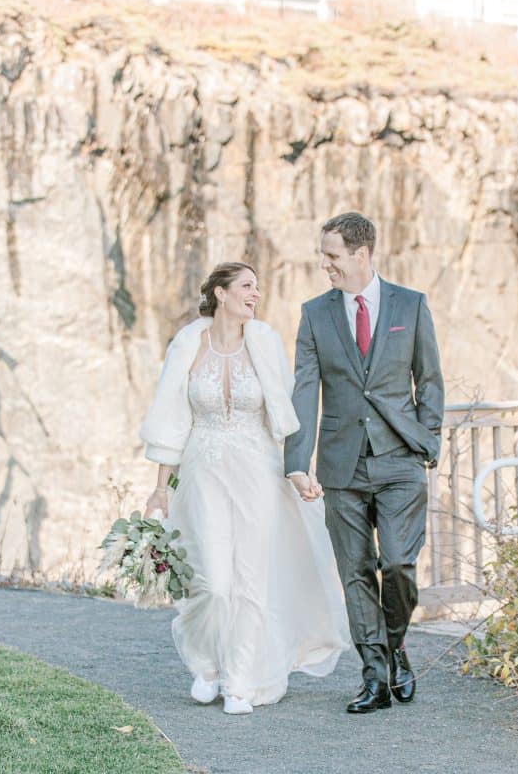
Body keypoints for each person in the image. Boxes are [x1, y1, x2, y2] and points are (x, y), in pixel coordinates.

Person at [140, 263, 349, 716]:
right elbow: (171, 420)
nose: (256, 294)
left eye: (257, 287)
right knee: (213, 581)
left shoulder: (266, 343)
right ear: (221, 292)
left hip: (258, 471)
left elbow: (289, 416)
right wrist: (160, 488)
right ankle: (206, 665)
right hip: (204, 472)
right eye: (247, 286)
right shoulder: (189, 344)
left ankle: (239, 680)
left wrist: (298, 470)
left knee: (253, 580)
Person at [285, 213, 444, 714]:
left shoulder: (411, 305)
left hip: (400, 459)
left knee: (397, 564)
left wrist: (428, 439)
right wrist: (298, 460)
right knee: (355, 572)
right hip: (341, 464)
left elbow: (431, 380)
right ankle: (374, 675)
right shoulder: (314, 314)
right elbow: (305, 389)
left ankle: (395, 646)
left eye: (331, 255)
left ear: (360, 254)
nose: (324, 264)